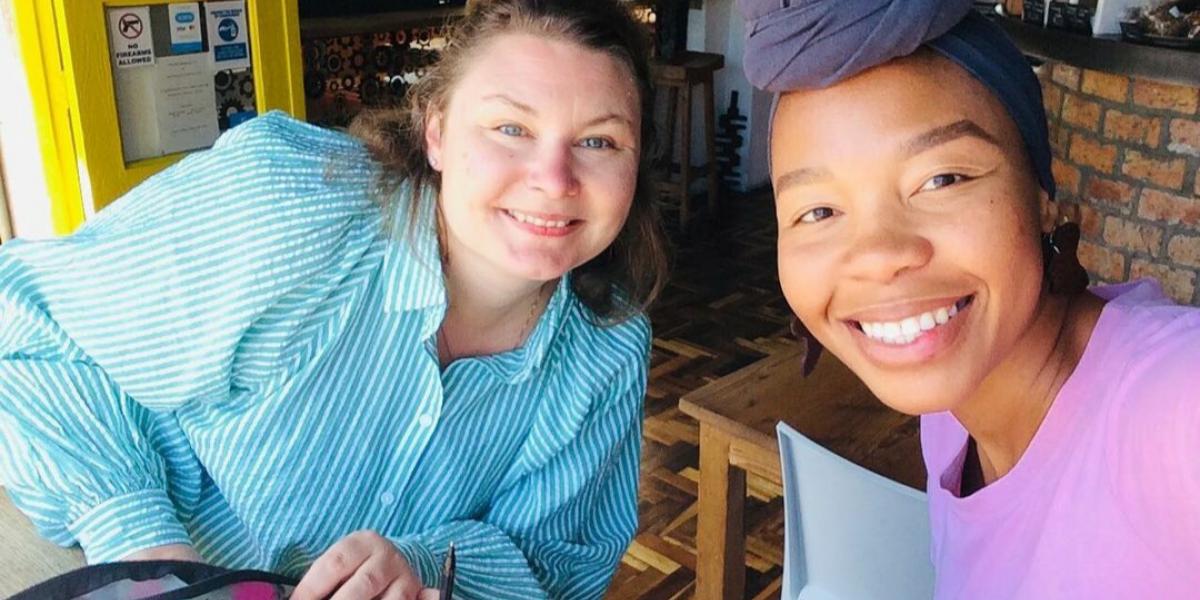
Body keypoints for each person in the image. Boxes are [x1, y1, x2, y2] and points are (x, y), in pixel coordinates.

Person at [0, 1, 668, 598]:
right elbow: (25, 321)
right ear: (436, 131)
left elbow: (557, 562)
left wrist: (421, 564)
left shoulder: (606, 347)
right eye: (510, 128)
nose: (553, 179)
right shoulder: (286, 206)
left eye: (598, 141)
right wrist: (147, 553)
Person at [736, 1, 1200, 597]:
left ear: (1043, 196)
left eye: (941, 179)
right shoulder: (948, 419)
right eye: (819, 211)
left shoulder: (1168, 409)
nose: (879, 255)